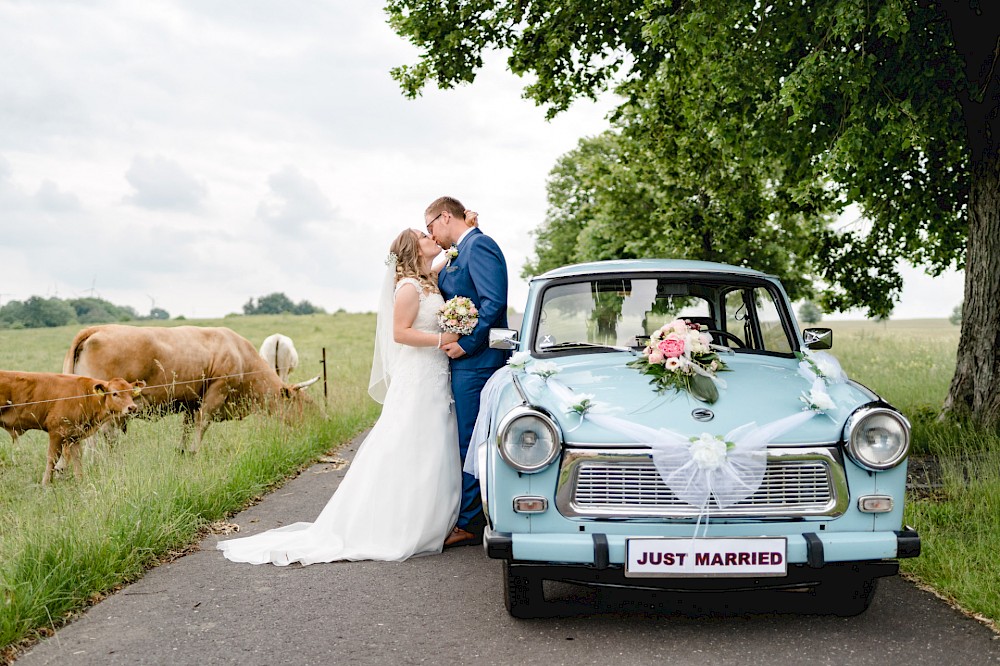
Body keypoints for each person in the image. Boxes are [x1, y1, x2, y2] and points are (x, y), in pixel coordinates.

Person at [217, 228, 461, 565]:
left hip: (433, 374)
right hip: (419, 374)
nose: (431, 236)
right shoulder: (408, 288)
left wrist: (464, 237)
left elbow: (445, 261)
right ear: (411, 248)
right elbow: (400, 333)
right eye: (424, 235)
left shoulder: (426, 279)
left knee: (433, 442)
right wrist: (441, 340)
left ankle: (434, 519)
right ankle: (400, 523)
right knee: (411, 442)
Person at [425, 196, 509, 548]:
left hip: (477, 362)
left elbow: (494, 302)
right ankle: (472, 513)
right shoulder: (467, 245)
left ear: (445, 217)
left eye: (431, 227)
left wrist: (467, 344)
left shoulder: (480, 245)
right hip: (463, 363)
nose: (432, 235)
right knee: (465, 437)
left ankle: (472, 521)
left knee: (470, 438)